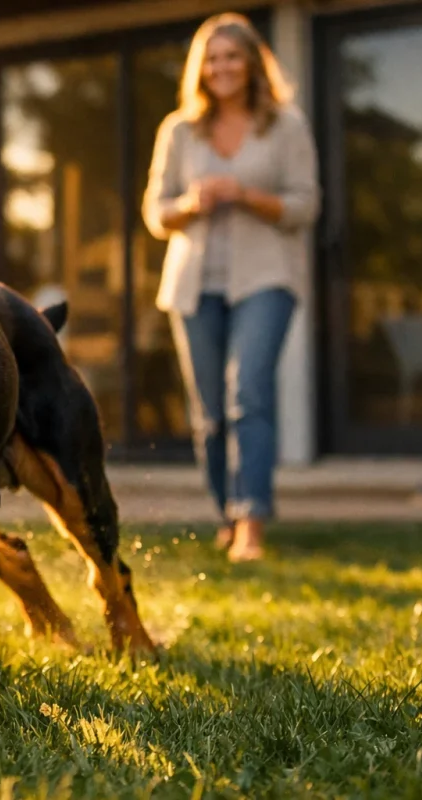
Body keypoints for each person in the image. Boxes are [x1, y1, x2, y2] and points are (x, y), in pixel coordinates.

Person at [142, 13, 320, 562]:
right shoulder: (178, 129)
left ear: (251, 63)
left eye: (232, 56)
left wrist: (244, 194)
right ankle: (227, 510)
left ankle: (251, 524)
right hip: (194, 284)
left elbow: (306, 206)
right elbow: (155, 213)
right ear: (202, 67)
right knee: (211, 414)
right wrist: (191, 204)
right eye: (212, 58)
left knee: (250, 396)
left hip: (266, 278)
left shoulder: (285, 125)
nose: (222, 67)